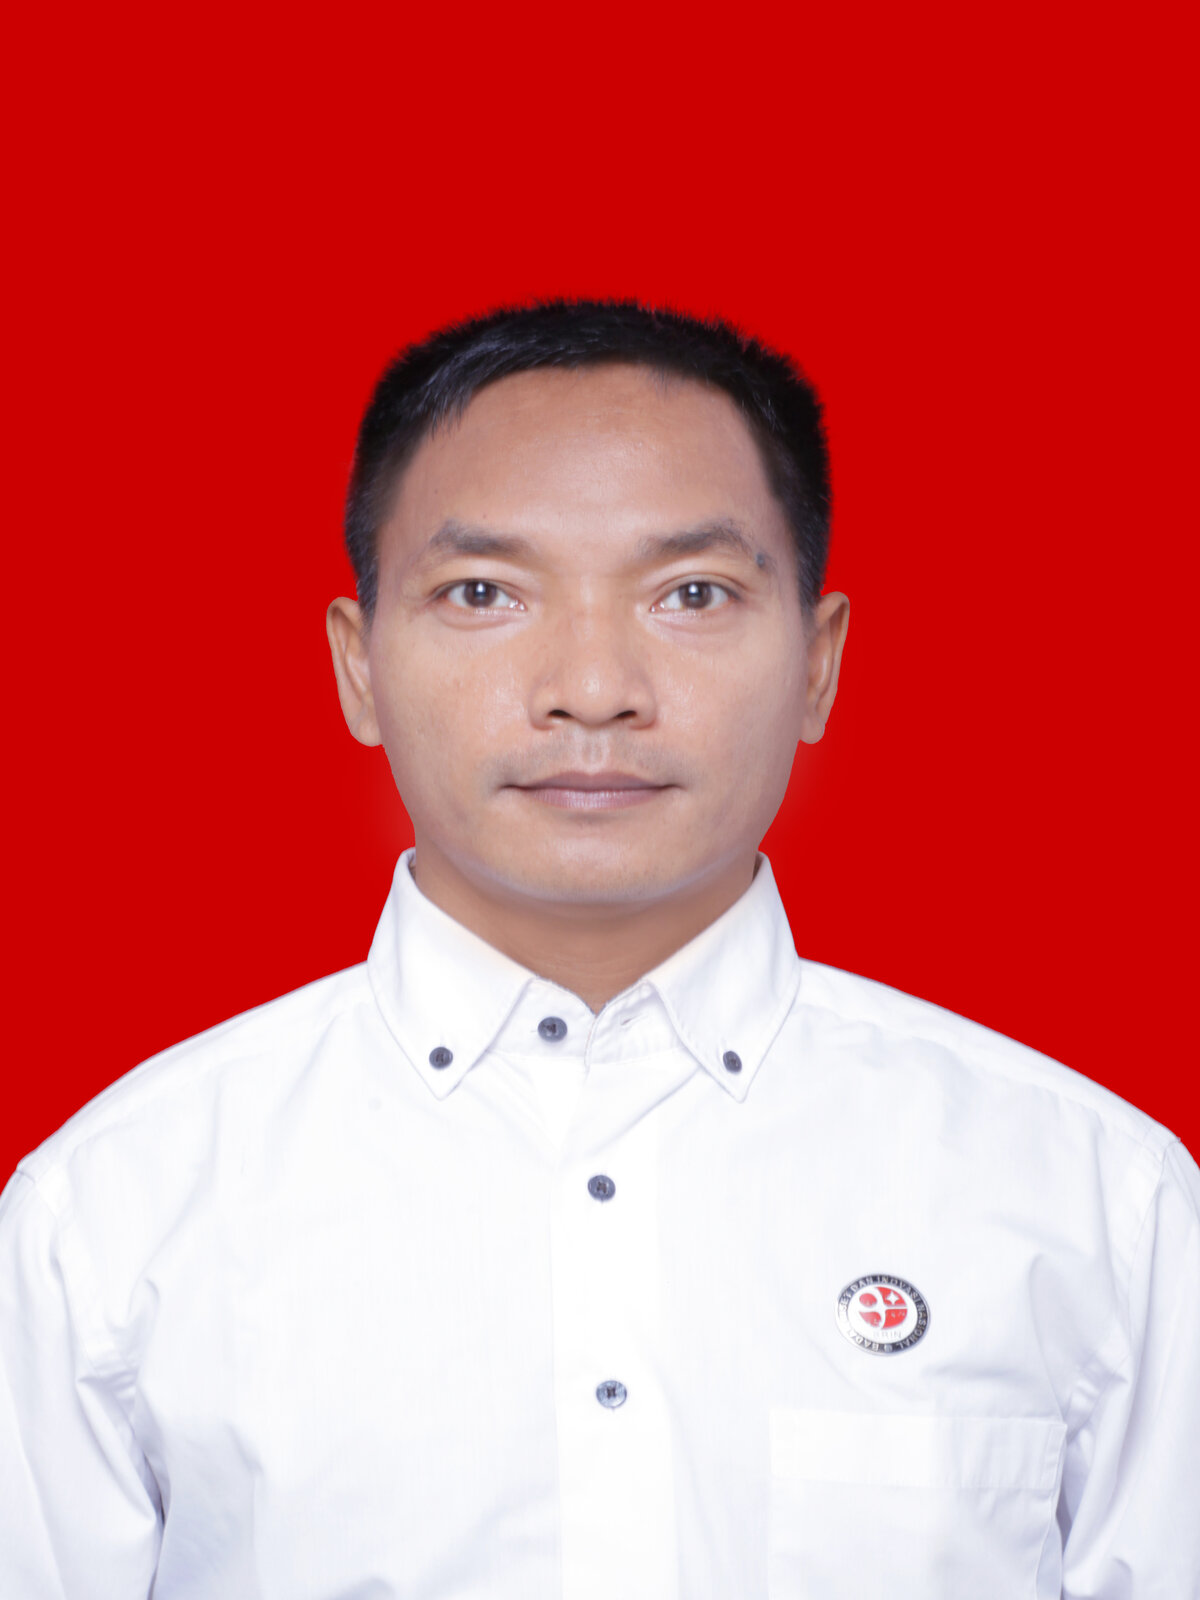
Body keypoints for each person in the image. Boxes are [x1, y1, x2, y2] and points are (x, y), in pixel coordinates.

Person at [1, 300, 1197, 1600]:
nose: (592, 687)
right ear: (358, 666)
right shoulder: (113, 1219)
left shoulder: (1094, 1204)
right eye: (483, 593)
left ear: (818, 665)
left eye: (692, 594)